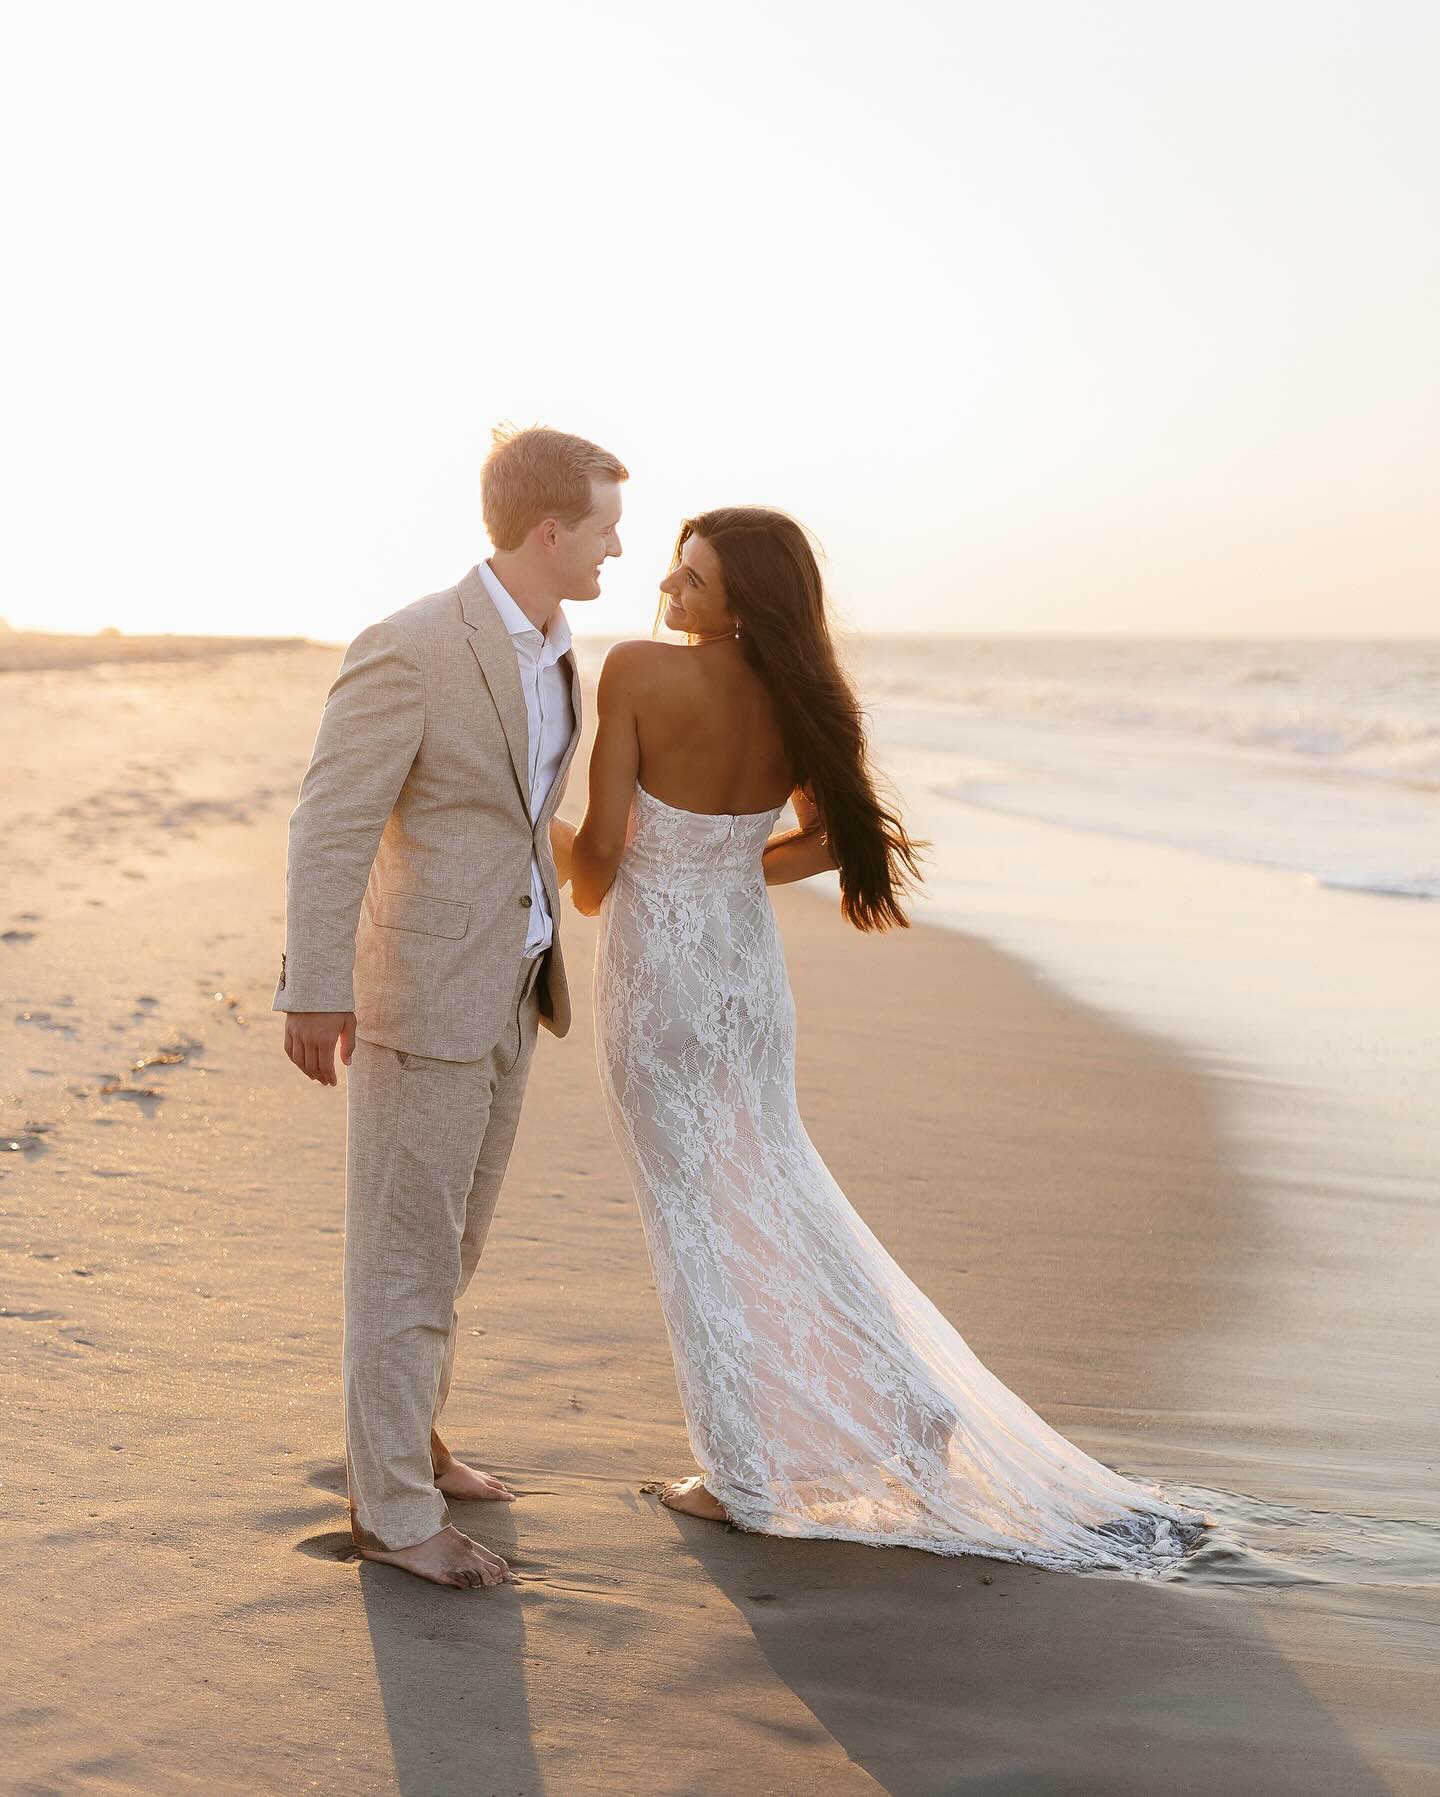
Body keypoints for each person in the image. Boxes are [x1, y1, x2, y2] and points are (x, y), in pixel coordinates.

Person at [557, 506, 1210, 1573]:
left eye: (693, 579)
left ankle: (743, 1478)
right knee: (778, 1188)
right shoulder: (799, 695)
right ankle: (909, 1412)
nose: (668, 592)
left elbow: (592, 878)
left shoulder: (633, 671)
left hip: (664, 983)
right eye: (674, 574)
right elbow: (829, 837)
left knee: (695, 1218)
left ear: (741, 603)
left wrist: (526, 821)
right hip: (747, 976)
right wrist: (717, 871)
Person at [275, 425, 626, 1590]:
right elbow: (332, 823)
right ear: (548, 530)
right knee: (402, 1257)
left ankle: (410, 1437)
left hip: (517, 985)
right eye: (604, 526)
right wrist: (315, 985)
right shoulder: (414, 646)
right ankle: (392, 1511)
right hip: (420, 994)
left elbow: (524, 816)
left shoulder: (559, 648)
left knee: (452, 1245)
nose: (616, 548)